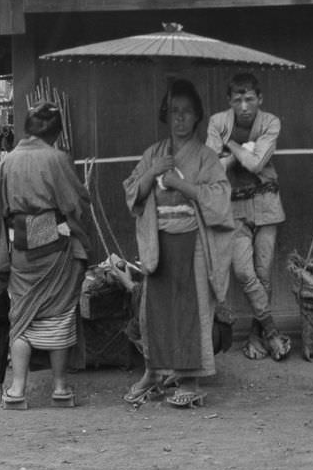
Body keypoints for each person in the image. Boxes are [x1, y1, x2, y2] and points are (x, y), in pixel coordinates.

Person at [123, 78, 235, 409]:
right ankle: (154, 372)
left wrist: (181, 185)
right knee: (154, 311)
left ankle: (189, 377)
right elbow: (132, 192)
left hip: (194, 242)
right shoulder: (155, 153)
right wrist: (152, 172)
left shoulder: (205, 156)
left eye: (187, 112)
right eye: (174, 112)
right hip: (159, 242)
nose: (180, 119)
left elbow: (220, 198)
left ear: (198, 116)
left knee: (192, 310)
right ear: (166, 115)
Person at [0, 102, 91, 409]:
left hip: (20, 248)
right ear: (56, 132)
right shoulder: (57, 158)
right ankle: (60, 387)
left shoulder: (7, 161)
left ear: (25, 128)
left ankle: (17, 389)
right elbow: (75, 203)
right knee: (59, 313)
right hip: (54, 243)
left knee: (22, 316)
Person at [206, 72, 292, 361]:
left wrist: (228, 146)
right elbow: (212, 170)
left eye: (250, 99)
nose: (244, 106)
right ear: (229, 101)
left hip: (266, 203)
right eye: (238, 100)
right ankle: (270, 330)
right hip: (234, 208)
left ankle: (256, 335)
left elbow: (256, 165)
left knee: (264, 274)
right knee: (244, 272)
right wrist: (241, 150)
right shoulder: (218, 122)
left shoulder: (270, 122)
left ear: (260, 99)